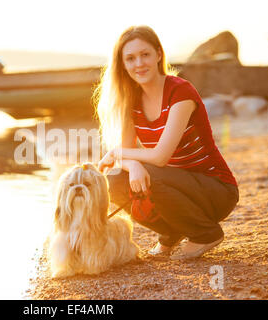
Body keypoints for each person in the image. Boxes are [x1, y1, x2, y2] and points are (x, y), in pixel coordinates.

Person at [96, 25, 239, 260]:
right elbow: (125, 157)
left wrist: (121, 153)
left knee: (151, 173)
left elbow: (160, 156)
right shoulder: (131, 101)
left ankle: (205, 233)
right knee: (115, 182)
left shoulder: (180, 92)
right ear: (123, 64)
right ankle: (171, 233)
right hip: (176, 187)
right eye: (130, 58)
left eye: (145, 54)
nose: (139, 63)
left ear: (158, 55)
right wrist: (130, 164)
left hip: (215, 190)